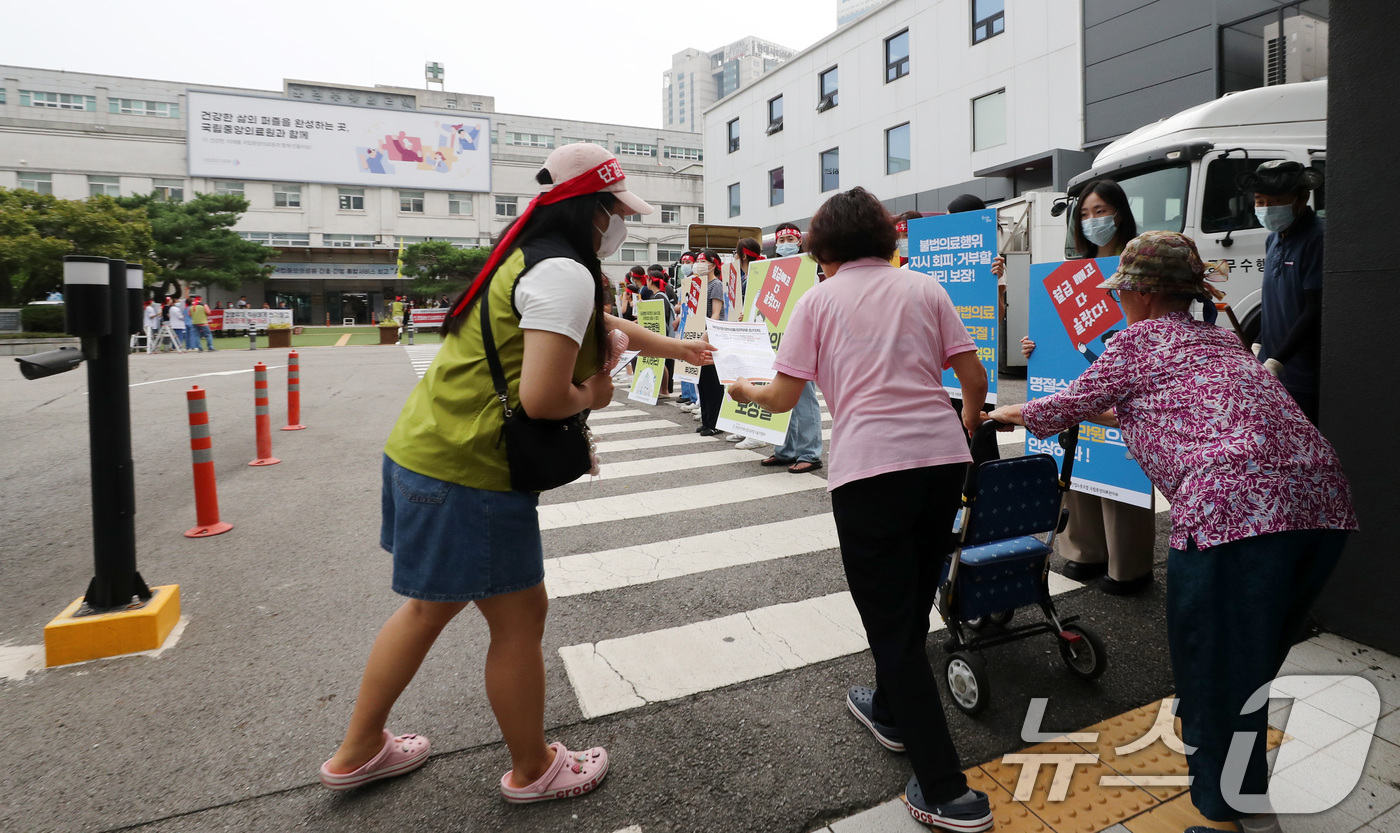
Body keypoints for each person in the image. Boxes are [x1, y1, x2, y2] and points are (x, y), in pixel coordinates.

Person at [320, 143, 714, 803]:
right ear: (594, 208)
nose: (621, 223)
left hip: (427, 447)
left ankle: (359, 749)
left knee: (428, 608)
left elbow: (593, 321)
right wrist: (596, 393)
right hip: (473, 472)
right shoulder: (566, 272)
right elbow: (542, 398)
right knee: (518, 617)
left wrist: (674, 347)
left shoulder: (530, 256)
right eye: (617, 209)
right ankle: (533, 768)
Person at [988, 231, 1355, 833]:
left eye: (1122, 292)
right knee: (1250, 664)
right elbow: (1156, 405)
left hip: (1234, 513)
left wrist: (1009, 411)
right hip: (1321, 505)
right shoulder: (1220, 340)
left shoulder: (1137, 341)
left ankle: (1226, 818)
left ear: (1141, 292)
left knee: (1216, 671)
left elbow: (1063, 406)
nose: (1117, 302)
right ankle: (1244, 794)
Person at [729, 188, 992, 833]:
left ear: (824, 246)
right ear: (883, 236)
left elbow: (784, 397)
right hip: (939, 462)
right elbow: (973, 376)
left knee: (891, 626)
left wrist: (739, 387)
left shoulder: (816, 301)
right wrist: (957, 428)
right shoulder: (923, 288)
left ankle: (947, 789)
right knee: (912, 594)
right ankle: (891, 712)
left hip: (869, 471)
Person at [997, 178, 1156, 594]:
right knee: (1077, 466)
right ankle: (1083, 553)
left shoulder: (1142, 264)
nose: (1092, 221)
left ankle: (1129, 567)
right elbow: (1053, 332)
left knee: (1119, 470)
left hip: (1126, 385)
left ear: (1121, 212)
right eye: (1084, 214)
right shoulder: (1069, 270)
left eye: (1100, 211)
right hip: (1075, 384)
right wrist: (1036, 346)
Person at [1238, 160, 1326, 425]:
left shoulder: (1319, 237)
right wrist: (1259, 343)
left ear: (1302, 197)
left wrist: (1277, 360)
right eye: (1260, 201)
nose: (1266, 209)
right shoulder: (1273, 238)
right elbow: (1276, 301)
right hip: (1274, 369)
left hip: (1302, 373)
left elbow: (1315, 309)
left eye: (1276, 201)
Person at [757, 223, 824, 473]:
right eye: (781, 239)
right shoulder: (770, 270)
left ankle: (809, 453)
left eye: (790, 238)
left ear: (799, 242)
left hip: (802, 341)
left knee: (804, 399)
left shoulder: (810, 270)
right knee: (780, 396)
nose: (785, 242)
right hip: (776, 340)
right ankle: (785, 450)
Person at [729, 237, 770, 450]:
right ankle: (744, 427)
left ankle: (756, 433)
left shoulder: (757, 276)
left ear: (742, 255)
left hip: (757, 335)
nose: (734, 258)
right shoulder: (744, 278)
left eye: (736, 254)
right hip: (747, 333)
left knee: (755, 382)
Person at [694, 249, 728, 436]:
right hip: (701, 337)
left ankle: (715, 422)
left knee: (713, 382)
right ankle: (707, 419)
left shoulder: (716, 285)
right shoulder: (699, 285)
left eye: (702, 260)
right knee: (702, 381)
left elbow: (716, 314)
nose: (698, 264)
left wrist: (703, 338)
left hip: (711, 338)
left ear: (713, 265)